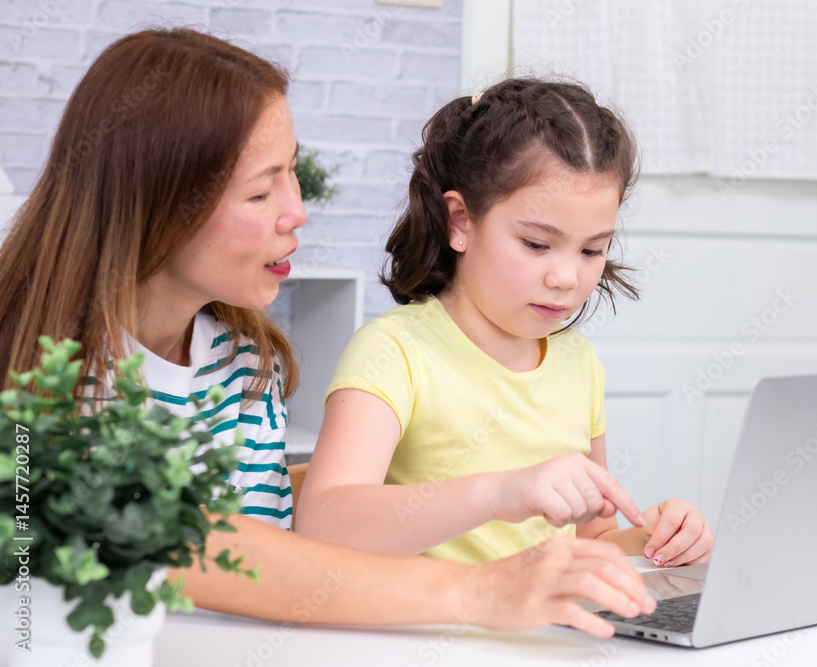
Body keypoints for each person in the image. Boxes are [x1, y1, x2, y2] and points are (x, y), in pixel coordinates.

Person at [0, 28, 657, 637]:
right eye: (261, 192)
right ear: (159, 202)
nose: (297, 212)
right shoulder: (49, 381)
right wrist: (478, 586)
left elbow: (265, 522)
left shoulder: (239, 359)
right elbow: (191, 544)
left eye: (293, 171)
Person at [295, 79, 714, 567]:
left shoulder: (577, 363)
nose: (566, 277)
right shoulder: (395, 352)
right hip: (431, 614)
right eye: (537, 244)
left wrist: (654, 542)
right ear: (460, 222)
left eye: (592, 250)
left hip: (543, 615)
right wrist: (499, 493)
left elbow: (591, 540)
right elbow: (322, 526)